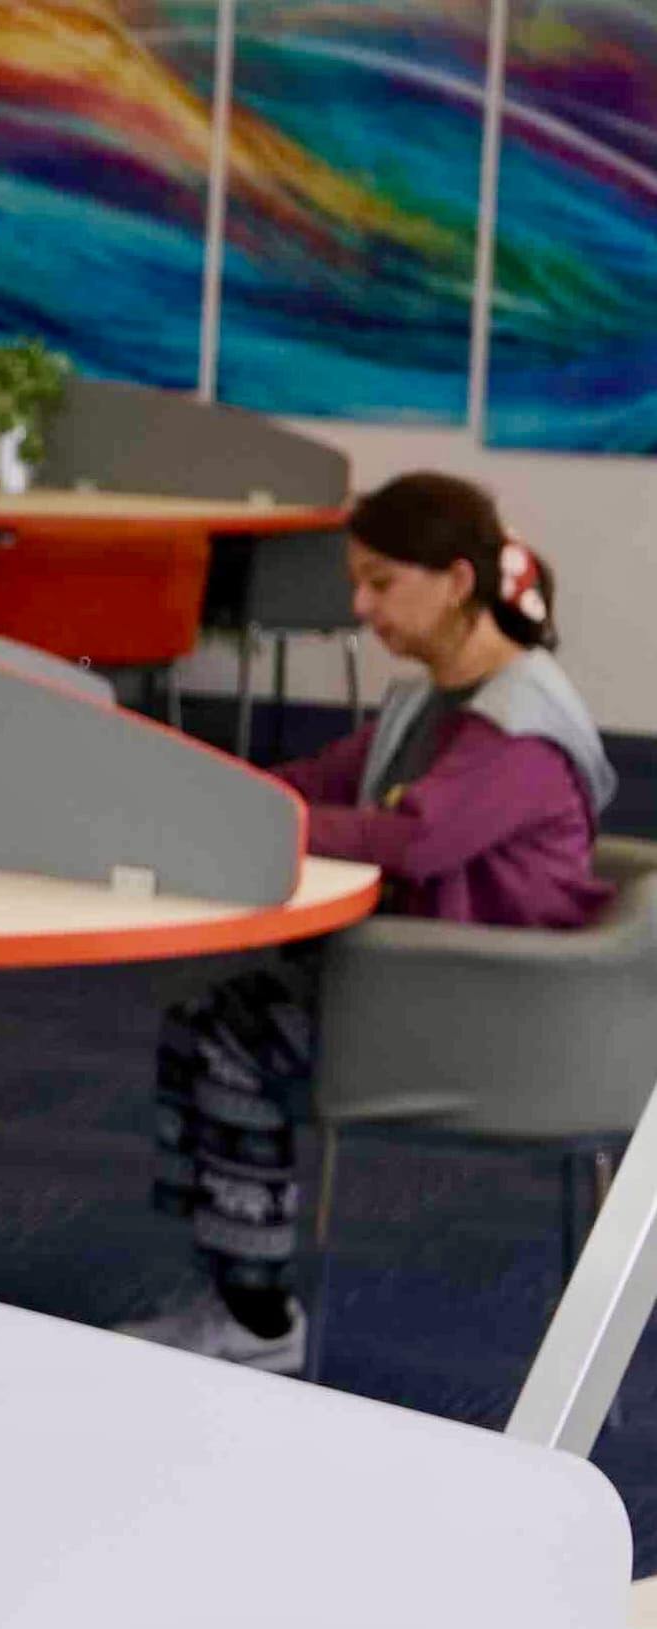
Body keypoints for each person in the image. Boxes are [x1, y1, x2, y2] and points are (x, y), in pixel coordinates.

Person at [134, 472, 619, 1372]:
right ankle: (237, 1294)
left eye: (381, 582)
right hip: (431, 984)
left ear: (457, 582)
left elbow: (415, 841)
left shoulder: (516, 731)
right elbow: (326, 780)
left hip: (497, 1022)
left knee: (229, 1044)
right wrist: (213, 798)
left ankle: (257, 1323)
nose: (359, 607)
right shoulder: (435, 701)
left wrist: (257, 821)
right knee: (206, 1019)